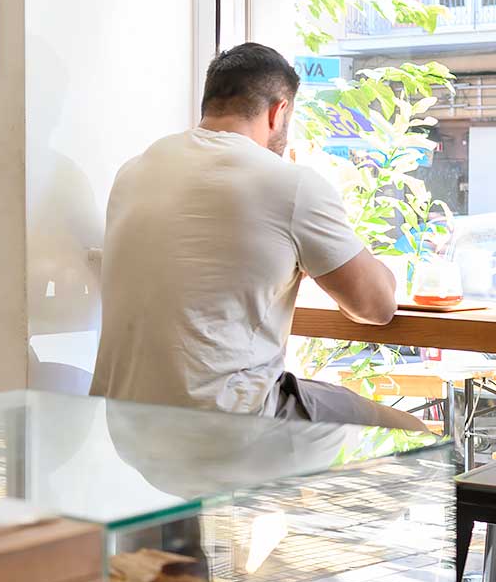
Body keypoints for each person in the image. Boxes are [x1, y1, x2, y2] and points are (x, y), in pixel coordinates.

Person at [90, 42, 426, 431]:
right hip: (227, 428)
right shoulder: (288, 184)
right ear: (278, 111)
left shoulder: (134, 171)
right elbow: (376, 306)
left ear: (210, 103)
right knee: (413, 435)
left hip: (123, 426)